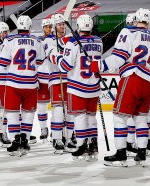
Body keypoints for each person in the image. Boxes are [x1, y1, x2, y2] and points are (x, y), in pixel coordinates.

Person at [90, 8, 150, 167]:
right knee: (141, 118)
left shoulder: (128, 31)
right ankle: (141, 152)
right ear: (148, 21)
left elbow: (119, 57)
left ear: (135, 18)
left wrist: (100, 65)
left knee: (120, 116)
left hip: (132, 77)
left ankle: (121, 154)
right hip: (148, 82)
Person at [50, 14, 102, 160]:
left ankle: (81, 145)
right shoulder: (99, 41)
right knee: (91, 117)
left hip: (78, 86)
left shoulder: (72, 43)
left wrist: (59, 57)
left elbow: (65, 66)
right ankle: (94, 144)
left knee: (79, 116)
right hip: (94, 86)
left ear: (78, 26)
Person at [0, 15, 46, 156]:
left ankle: (14, 141)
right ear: (30, 27)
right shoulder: (37, 41)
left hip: (13, 83)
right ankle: (24, 140)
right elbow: (40, 61)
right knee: (28, 114)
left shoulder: (10, 40)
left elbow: (2, 63)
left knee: (12, 113)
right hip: (30, 83)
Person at [124, 13, 150, 157]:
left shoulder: (134, 34)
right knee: (130, 113)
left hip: (142, 80)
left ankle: (146, 141)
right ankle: (129, 142)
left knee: (148, 110)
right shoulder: (131, 35)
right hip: (133, 78)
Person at [48, 13, 75, 153]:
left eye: (63, 24)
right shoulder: (49, 41)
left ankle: (69, 138)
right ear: (54, 26)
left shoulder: (69, 39)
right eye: (59, 24)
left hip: (70, 78)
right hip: (56, 79)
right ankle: (57, 139)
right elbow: (52, 57)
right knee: (58, 111)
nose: (62, 26)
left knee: (70, 111)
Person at [36, 19, 53, 141]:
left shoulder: (56, 39)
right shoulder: (37, 41)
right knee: (41, 106)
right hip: (41, 77)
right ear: (43, 28)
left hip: (54, 77)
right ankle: (43, 129)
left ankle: (56, 129)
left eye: (50, 27)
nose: (48, 29)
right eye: (46, 27)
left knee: (58, 107)